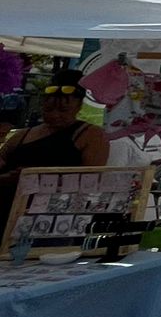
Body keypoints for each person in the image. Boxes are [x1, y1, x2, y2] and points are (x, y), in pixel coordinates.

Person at [0, 70, 110, 222]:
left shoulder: (91, 135)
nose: (54, 115)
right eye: (48, 109)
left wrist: (38, 179)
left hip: (49, 218)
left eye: (63, 110)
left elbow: (90, 182)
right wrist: (8, 178)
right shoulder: (22, 135)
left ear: (79, 106)